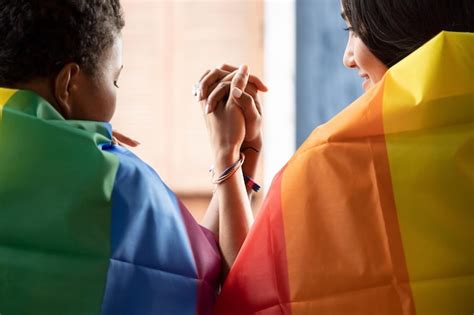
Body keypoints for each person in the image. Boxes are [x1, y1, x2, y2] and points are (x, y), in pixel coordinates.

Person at [196, 0, 474, 314]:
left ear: (400, 25)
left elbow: (257, 296)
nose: (347, 57)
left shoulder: (339, 162)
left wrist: (230, 157)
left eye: (354, 29)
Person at [0, 0, 267, 314]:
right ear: (68, 83)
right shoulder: (108, 180)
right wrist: (233, 154)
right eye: (115, 79)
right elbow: (209, 283)